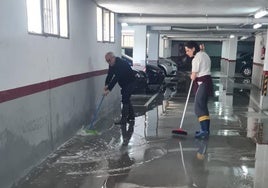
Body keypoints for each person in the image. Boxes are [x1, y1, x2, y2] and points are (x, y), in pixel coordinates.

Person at [103, 52, 136, 145]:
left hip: (130, 82)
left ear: (113, 58)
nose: (108, 62)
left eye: (109, 60)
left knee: (125, 99)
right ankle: (132, 117)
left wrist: (109, 89)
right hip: (125, 84)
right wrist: (106, 84)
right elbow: (110, 75)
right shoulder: (112, 64)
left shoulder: (120, 64)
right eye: (107, 61)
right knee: (126, 99)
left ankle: (124, 119)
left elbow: (116, 78)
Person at [184, 41, 213, 139]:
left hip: (203, 84)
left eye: (188, 50)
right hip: (207, 83)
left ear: (193, 49)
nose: (187, 53)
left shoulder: (196, 58)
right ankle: (205, 130)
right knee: (203, 107)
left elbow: (194, 75)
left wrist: (191, 76)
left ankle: (204, 131)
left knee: (199, 107)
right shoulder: (204, 54)